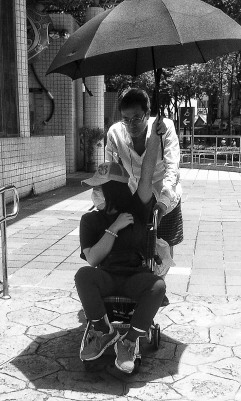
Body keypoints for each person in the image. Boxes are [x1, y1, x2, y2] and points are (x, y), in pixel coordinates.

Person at [75, 116, 166, 374]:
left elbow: (147, 175)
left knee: (158, 286)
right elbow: (93, 259)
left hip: (135, 276)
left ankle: (129, 341)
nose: (94, 193)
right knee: (83, 275)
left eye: (99, 188)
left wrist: (155, 137)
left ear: (113, 190)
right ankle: (105, 332)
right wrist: (113, 229)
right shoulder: (90, 220)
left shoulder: (137, 210)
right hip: (107, 276)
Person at [102, 88, 183, 305]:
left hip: (165, 190)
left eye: (137, 118)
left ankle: (160, 285)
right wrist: (107, 198)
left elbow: (172, 168)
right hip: (135, 192)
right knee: (138, 240)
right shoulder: (115, 133)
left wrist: (163, 202)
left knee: (165, 238)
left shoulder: (164, 128)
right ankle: (142, 283)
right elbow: (110, 168)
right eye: (126, 119)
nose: (132, 125)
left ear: (148, 114)